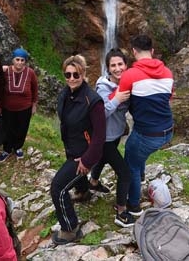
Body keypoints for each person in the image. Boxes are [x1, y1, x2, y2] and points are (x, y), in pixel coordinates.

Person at [50, 55, 105, 245]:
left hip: (84, 154)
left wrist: (87, 160)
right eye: (68, 74)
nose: (72, 78)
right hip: (72, 147)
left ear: (83, 74)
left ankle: (70, 228)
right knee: (72, 178)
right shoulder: (66, 93)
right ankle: (83, 192)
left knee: (57, 188)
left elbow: (99, 136)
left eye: (76, 74)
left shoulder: (93, 101)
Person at [117, 34, 174, 216]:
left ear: (134, 52)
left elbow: (116, 99)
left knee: (131, 162)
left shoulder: (130, 75)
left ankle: (133, 205)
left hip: (148, 134)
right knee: (137, 149)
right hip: (168, 130)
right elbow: (168, 97)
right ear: (152, 51)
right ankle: (140, 177)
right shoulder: (168, 73)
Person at [89, 49, 134, 227]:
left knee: (102, 158)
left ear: (126, 65)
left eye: (120, 64)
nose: (117, 68)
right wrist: (117, 98)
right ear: (107, 69)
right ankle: (121, 211)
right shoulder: (102, 88)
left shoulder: (128, 84)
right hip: (103, 137)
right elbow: (101, 114)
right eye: (113, 65)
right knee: (124, 173)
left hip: (115, 134)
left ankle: (93, 182)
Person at [0, 48, 38, 163]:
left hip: (25, 108)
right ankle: (7, 149)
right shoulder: (6, 71)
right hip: (7, 108)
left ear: (25, 61)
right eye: (17, 59)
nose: (19, 62)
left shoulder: (30, 73)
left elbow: (35, 89)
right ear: (13, 60)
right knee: (7, 129)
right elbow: (0, 91)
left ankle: (18, 147)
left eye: (22, 60)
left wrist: (34, 105)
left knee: (22, 129)